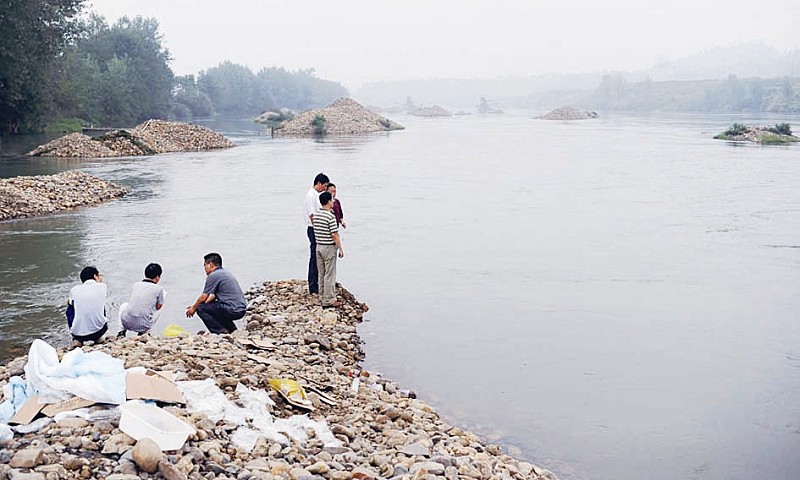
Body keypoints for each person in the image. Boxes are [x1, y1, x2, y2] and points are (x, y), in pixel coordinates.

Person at [185, 252, 247, 334]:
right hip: (241, 309)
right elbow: (211, 297)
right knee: (209, 307)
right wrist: (195, 306)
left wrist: (194, 308)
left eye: (205, 265)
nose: (204, 268)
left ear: (210, 265)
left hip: (233, 309)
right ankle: (232, 330)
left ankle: (220, 332)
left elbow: (203, 297)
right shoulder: (224, 273)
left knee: (201, 309)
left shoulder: (213, 275)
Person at [313, 191, 344, 308]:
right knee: (329, 274)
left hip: (319, 246)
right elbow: (334, 235)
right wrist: (340, 249)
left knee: (321, 272)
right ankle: (329, 300)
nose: (333, 202)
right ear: (328, 202)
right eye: (332, 200)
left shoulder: (316, 215)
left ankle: (321, 294)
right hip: (328, 247)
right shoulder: (330, 217)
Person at [118, 263, 165, 337]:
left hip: (126, 323)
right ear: (157, 277)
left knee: (124, 305)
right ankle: (146, 332)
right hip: (143, 325)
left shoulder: (136, 284)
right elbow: (158, 307)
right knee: (159, 309)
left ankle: (121, 331)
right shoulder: (159, 289)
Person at [68, 266, 108, 346]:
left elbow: (69, 303)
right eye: (99, 275)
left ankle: (77, 340)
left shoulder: (74, 290)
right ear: (95, 276)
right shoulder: (103, 286)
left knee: (70, 307)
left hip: (78, 334)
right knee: (99, 305)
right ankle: (98, 338)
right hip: (99, 331)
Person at [305, 173, 329, 294]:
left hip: (316, 229)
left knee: (318, 256)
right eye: (324, 186)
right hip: (313, 229)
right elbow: (312, 215)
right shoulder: (311, 196)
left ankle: (318, 282)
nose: (324, 189)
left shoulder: (316, 195)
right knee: (314, 257)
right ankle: (313, 285)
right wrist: (320, 229)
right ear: (318, 183)